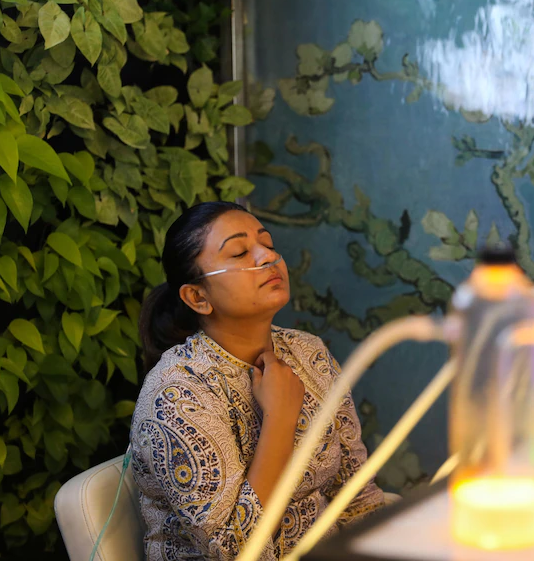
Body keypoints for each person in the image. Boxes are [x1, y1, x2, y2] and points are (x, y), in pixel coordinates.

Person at [131, 201, 384, 561]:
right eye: (239, 252)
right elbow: (234, 551)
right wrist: (281, 418)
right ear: (198, 297)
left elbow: (357, 495)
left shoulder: (308, 352)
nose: (268, 256)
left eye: (267, 243)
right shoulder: (175, 394)